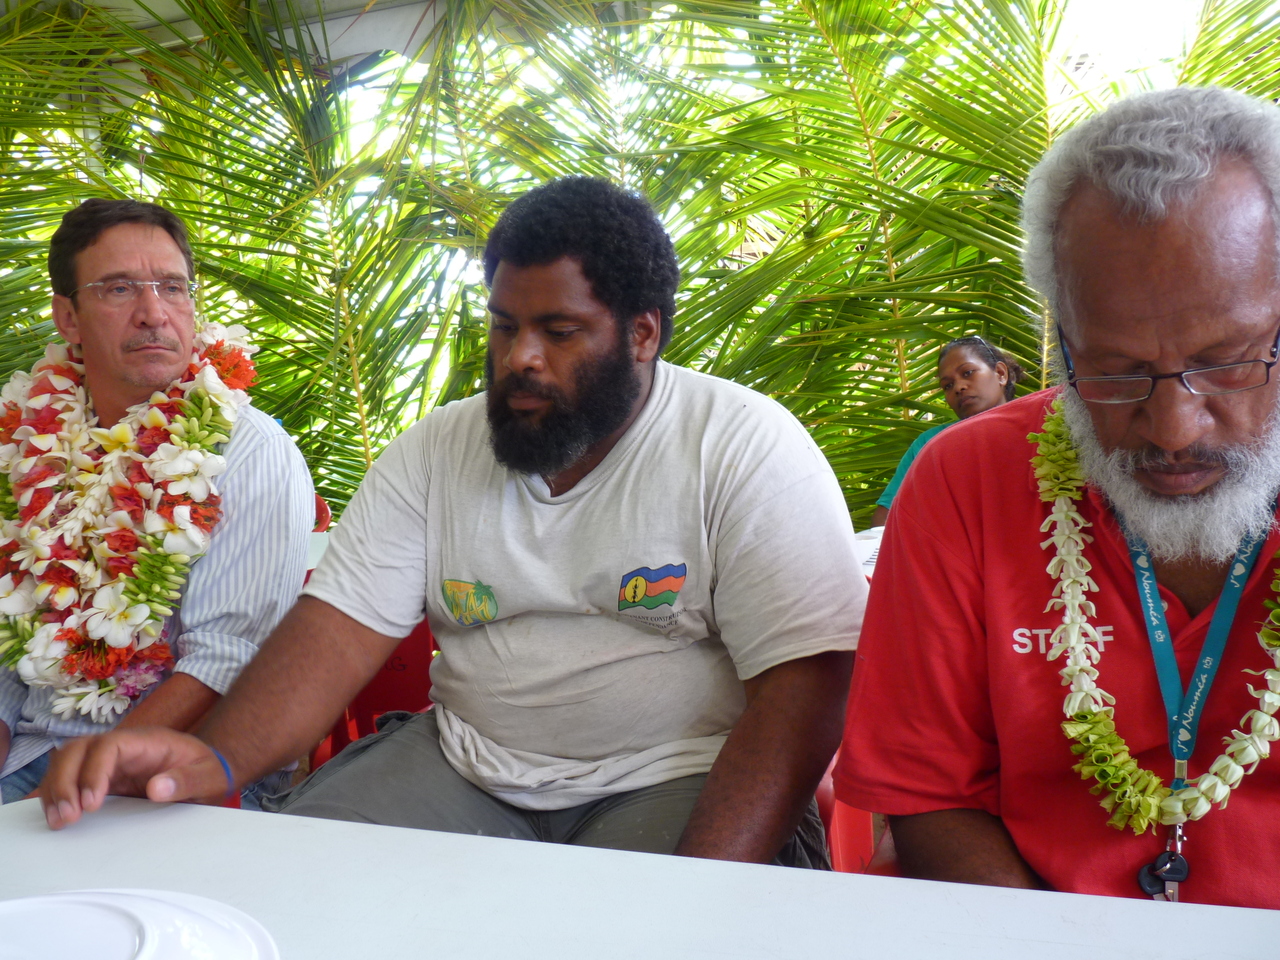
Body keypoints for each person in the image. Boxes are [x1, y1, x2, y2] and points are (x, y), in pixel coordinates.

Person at [37, 177, 866, 867]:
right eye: (505, 327)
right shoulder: (436, 450)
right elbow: (335, 631)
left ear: (642, 333)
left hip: (675, 774)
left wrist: (702, 887)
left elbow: (807, 682)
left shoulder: (742, 445)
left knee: (626, 936)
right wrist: (214, 759)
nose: (520, 359)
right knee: (290, 876)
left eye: (558, 331)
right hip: (466, 764)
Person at [836, 86, 1280, 909]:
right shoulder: (962, 480)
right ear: (1060, 339)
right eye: (1115, 369)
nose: (1174, 428)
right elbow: (927, 796)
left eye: (1229, 360)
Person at [0, 199, 313, 806]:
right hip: (29, 753)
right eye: (119, 289)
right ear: (68, 316)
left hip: (184, 772)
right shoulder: (26, 443)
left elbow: (230, 658)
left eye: (172, 288)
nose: (153, 314)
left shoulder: (250, 450)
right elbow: (7, 627)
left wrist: (95, 771)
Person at [869, 338, 1025, 527]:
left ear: (1000, 373)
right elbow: (885, 518)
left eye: (968, 373)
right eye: (948, 385)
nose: (959, 387)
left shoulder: (1039, 427)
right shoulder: (930, 443)